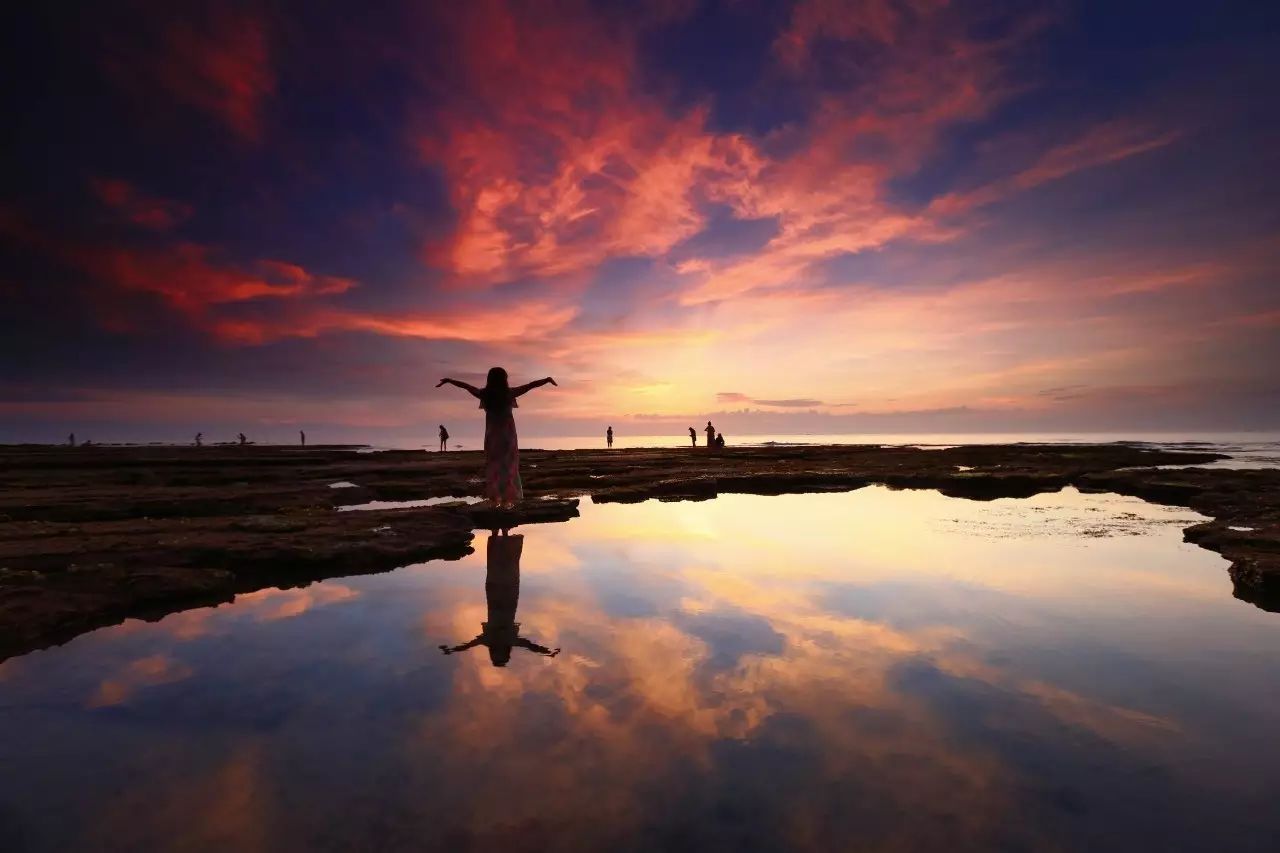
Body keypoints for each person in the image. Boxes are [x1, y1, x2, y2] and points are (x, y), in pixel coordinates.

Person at [437, 368, 557, 509]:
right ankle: (506, 500)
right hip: (508, 437)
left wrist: (450, 381)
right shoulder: (509, 393)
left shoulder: (484, 394)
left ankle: (495, 499)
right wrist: (547, 380)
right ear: (504, 379)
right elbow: (530, 385)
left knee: (493, 467)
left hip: (492, 436)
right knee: (508, 467)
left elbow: (465, 386)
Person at [439, 529, 559, 667]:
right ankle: (500, 533)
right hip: (505, 594)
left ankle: (499, 533)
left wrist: (452, 650)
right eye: (500, 655)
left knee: (502, 567)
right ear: (505, 653)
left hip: (499, 593)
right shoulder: (504, 640)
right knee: (503, 568)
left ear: (494, 653)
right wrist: (547, 652)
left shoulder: (493, 640)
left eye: (497, 656)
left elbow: (468, 645)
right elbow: (530, 646)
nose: (499, 652)